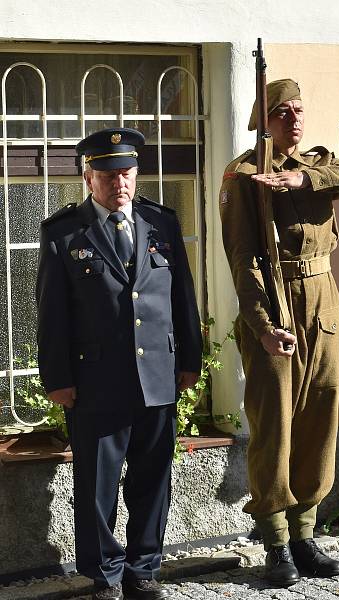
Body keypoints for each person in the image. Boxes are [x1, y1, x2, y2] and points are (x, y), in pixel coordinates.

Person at [219, 79, 339, 587]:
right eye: (282, 112)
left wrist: (304, 181)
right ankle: (275, 539)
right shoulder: (244, 175)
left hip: (323, 302)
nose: (294, 119)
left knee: (320, 415)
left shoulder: (320, 165)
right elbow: (242, 261)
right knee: (276, 425)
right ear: (263, 121)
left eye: (298, 110)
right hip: (277, 302)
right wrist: (264, 327)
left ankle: (305, 531)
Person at [36, 127, 202, 600]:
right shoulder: (64, 232)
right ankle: (104, 574)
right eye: (107, 175)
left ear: (136, 173)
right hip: (95, 381)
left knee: (153, 477)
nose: (119, 183)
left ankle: (143, 568)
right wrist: (58, 379)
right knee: (97, 485)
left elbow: (182, 297)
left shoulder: (161, 223)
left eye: (126, 172)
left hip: (157, 377)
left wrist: (188, 358)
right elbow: (51, 314)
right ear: (89, 178)